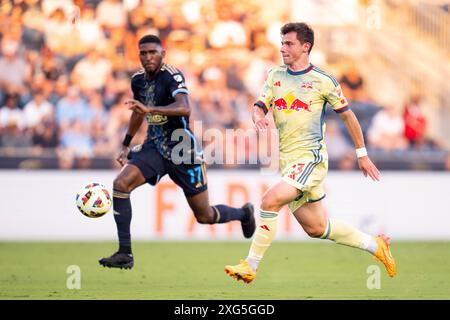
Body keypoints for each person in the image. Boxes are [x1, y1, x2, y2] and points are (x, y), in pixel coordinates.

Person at [224, 23, 396, 284]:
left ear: (306, 46)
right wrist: (258, 116)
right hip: (289, 162)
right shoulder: (274, 76)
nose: (283, 48)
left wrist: (362, 154)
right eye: (282, 43)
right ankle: (376, 246)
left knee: (269, 201)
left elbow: (348, 116)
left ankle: (250, 265)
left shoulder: (323, 81)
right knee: (316, 228)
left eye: (289, 43)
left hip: (311, 159)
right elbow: (259, 106)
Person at [99, 35, 256, 269]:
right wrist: (126, 143)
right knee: (121, 185)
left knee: (204, 216)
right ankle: (125, 253)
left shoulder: (172, 75)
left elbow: (184, 108)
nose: (148, 57)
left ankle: (244, 214)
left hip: (183, 151)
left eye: (153, 52)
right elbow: (138, 112)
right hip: (155, 147)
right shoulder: (138, 81)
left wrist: (150, 108)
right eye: (143, 53)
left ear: (163, 53)